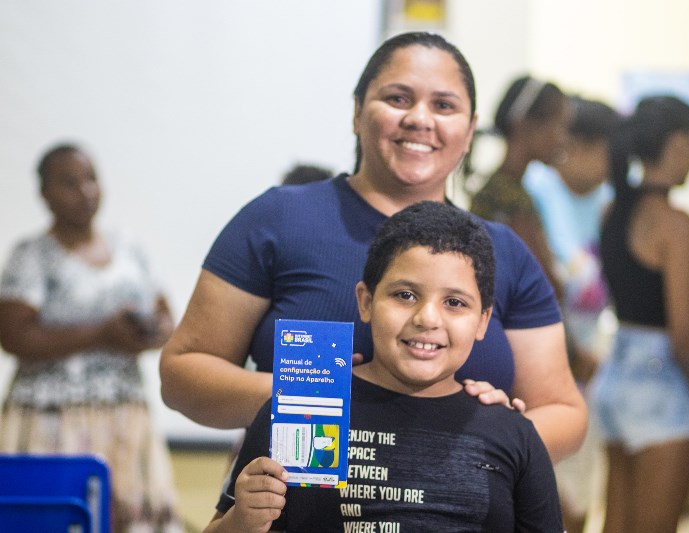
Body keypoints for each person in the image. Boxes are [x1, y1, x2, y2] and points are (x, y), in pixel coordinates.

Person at [159, 31, 586, 464]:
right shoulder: (279, 219)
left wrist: (485, 431)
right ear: (357, 111)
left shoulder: (504, 251)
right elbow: (183, 373)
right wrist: (319, 400)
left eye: (444, 105)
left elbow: (565, 413)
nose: (420, 118)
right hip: (296, 507)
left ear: (470, 128)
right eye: (398, 98)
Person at [206, 201, 564, 533]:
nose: (427, 318)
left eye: (454, 302)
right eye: (405, 295)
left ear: (483, 320)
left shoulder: (514, 435)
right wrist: (241, 520)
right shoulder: (298, 412)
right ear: (366, 301)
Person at [0, 143, 183, 531]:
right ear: (44, 194)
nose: (84, 191)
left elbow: (168, 318)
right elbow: (14, 334)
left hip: (125, 415)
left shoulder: (130, 248)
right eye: (69, 182)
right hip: (52, 421)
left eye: (91, 179)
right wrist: (101, 334)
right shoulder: (32, 255)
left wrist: (146, 333)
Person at [590, 95, 689, 533]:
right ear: (676, 144)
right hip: (660, 390)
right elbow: (684, 339)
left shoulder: (613, 211)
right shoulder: (676, 224)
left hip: (617, 377)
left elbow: (639, 300)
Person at [524, 95, 620, 533]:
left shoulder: (610, 201)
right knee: (547, 493)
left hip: (591, 365)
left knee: (580, 500)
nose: (612, 163)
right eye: (607, 151)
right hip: (542, 357)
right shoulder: (536, 191)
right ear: (577, 144)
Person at [468, 74, 572, 300]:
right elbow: (548, 284)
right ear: (525, 124)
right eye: (559, 125)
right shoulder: (510, 200)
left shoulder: (495, 189)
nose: (562, 139)